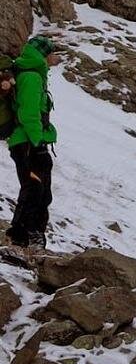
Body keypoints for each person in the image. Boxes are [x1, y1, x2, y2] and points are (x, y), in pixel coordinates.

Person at [6, 35, 59, 250]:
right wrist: (37, 144)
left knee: (41, 191)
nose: (55, 58)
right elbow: (29, 114)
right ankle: (21, 238)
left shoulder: (32, 74)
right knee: (34, 190)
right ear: (43, 55)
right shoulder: (32, 77)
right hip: (28, 143)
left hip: (30, 142)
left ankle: (33, 237)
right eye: (52, 53)